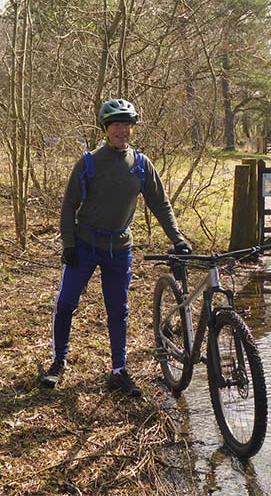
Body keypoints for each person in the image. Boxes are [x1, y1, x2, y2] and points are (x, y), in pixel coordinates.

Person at [40, 98, 192, 396]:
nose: (122, 130)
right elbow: (69, 205)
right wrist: (68, 243)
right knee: (67, 302)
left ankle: (119, 371)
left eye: (127, 125)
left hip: (119, 248)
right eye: (116, 125)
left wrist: (177, 238)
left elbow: (160, 204)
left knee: (118, 310)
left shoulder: (141, 165)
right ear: (106, 128)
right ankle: (58, 362)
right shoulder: (89, 162)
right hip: (84, 245)